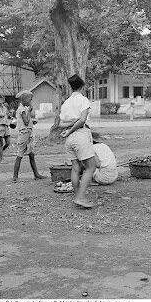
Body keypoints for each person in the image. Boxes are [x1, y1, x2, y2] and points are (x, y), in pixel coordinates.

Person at [59, 74, 97, 208]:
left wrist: (69, 128)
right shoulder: (83, 100)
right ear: (82, 86)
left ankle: (77, 196)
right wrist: (73, 126)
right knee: (91, 166)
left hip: (69, 140)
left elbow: (61, 124)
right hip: (80, 135)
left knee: (75, 168)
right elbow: (82, 120)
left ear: (71, 87)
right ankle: (80, 197)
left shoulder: (66, 103)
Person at [13, 90, 46, 182]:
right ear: (25, 100)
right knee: (20, 155)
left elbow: (27, 121)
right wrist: (29, 111)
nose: (31, 102)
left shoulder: (22, 109)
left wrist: (32, 121)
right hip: (24, 134)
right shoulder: (23, 109)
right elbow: (26, 122)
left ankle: (36, 174)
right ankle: (15, 176)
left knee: (31, 154)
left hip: (27, 133)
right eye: (30, 100)